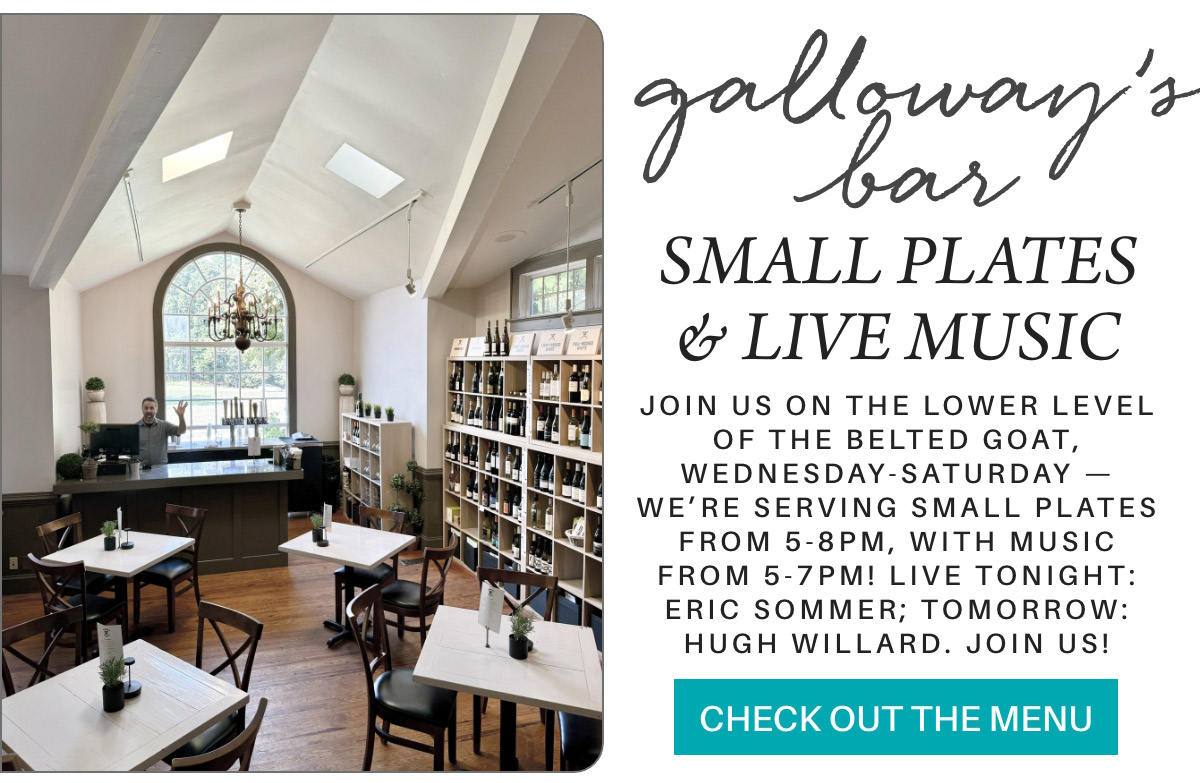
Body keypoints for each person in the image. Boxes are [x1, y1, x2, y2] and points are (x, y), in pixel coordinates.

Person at [138, 397, 187, 467]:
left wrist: (181, 416)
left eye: (151, 408)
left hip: (161, 469)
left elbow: (182, 431)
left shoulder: (164, 426)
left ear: (156, 409)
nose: (148, 410)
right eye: (146, 408)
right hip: (141, 469)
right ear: (142, 409)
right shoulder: (135, 428)